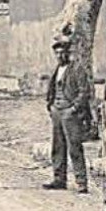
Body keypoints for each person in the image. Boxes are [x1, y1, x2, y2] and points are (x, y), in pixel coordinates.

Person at [43, 35, 93, 193]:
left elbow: (84, 92)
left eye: (62, 53)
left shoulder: (77, 69)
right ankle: (59, 179)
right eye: (56, 53)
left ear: (68, 53)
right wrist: (50, 106)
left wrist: (74, 109)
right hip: (57, 112)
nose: (59, 56)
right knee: (57, 147)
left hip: (70, 113)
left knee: (74, 147)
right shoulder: (57, 70)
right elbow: (52, 90)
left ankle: (81, 182)